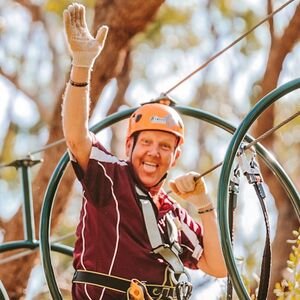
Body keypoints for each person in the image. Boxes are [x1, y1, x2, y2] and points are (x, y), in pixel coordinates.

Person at [62, 3, 227, 300]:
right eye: (146, 143)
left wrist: (204, 204)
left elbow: (218, 266)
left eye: (165, 147)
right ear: (129, 147)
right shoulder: (109, 177)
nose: (153, 153)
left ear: (174, 158)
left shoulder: (173, 216)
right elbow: (76, 137)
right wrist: (82, 66)